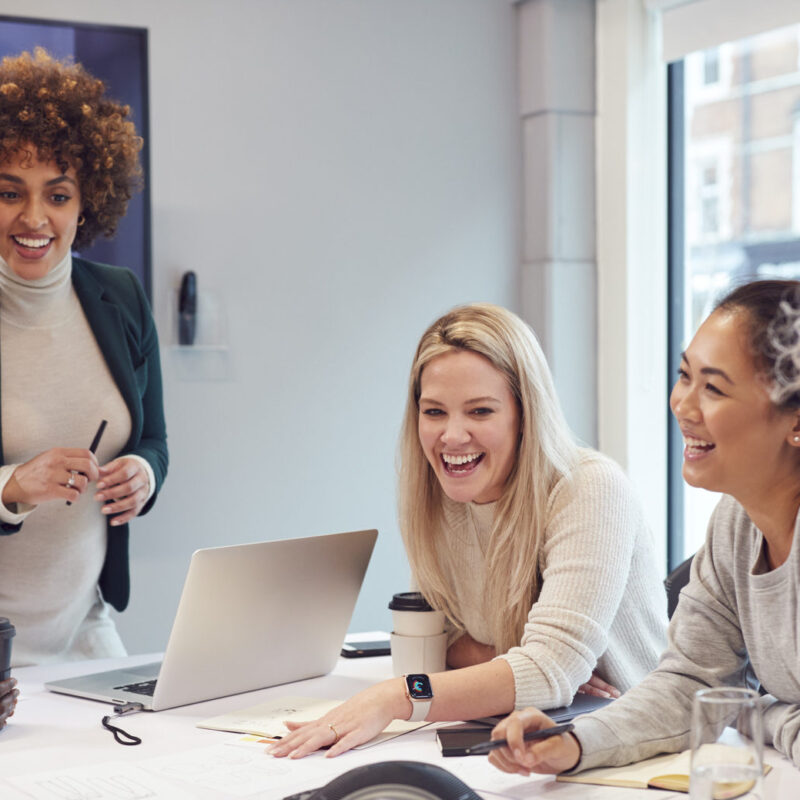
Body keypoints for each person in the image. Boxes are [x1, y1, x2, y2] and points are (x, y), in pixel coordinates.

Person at [268, 302, 666, 759]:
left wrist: (397, 696)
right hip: (530, 738)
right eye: (434, 412)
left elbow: (551, 669)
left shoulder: (590, 488)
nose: (452, 437)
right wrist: (522, 668)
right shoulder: (441, 496)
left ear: (525, 416)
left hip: (636, 748)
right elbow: (442, 640)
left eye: (480, 411)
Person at [488, 279, 800, 776]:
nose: (682, 404)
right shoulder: (736, 525)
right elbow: (689, 685)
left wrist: (767, 714)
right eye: (684, 376)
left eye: (714, 388)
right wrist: (575, 743)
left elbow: (730, 704)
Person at [0, 48, 168, 668]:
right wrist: (13, 485)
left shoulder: (119, 297)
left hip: (84, 622)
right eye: (9, 192)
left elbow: (153, 440)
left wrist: (143, 477)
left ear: (87, 201)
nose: (34, 218)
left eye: (59, 194)